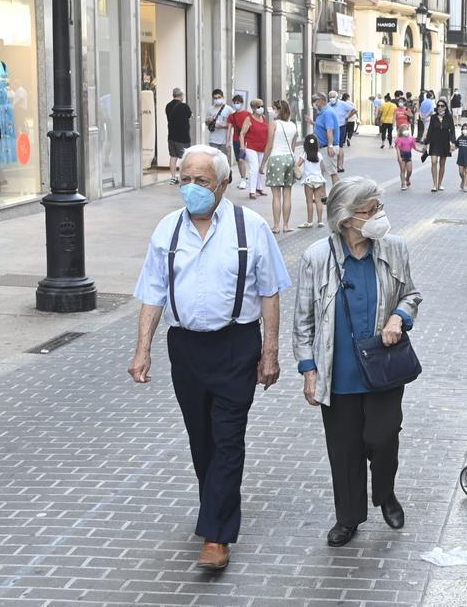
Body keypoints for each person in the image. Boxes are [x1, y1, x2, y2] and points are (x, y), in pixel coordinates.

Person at [129, 145, 291, 570]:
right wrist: (142, 349)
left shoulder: (250, 227)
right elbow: (152, 292)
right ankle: (214, 506)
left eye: (201, 181)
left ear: (222, 185)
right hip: (186, 348)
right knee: (201, 439)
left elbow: (270, 291)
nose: (191, 188)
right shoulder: (167, 230)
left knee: (227, 439)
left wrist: (270, 353)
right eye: (184, 179)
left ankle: (217, 536)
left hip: (237, 346)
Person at [292, 178, 422, 546]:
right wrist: (308, 369)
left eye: (379, 206)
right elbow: (303, 319)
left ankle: (385, 494)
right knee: (344, 447)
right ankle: (348, 518)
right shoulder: (317, 257)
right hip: (339, 372)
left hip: (383, 367)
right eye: (370, 210)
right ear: (347, 218)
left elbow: (411, 294)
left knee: (383, 438)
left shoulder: (394, 248)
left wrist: (399, 317)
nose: (379, 215)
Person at [260, 99, 299, 233]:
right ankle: (286, 225)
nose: (272, 112)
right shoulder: (293, 125)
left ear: (278, 110)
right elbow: (293, 147)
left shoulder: (274, 124)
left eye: (274, 109)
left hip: (276, 158)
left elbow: (269, 145)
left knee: (276, 196)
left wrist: (263, 164)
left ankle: (276, 226)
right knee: (287, 194)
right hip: (289, 158)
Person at [238, 98, 269, 199]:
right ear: (253, 108)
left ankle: (259, 187)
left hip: (262, 147)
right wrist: (242, 146)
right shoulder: (249, 119)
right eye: (258, 107)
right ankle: (252, 191)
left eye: (262, 106)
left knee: (260, 167)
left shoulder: (263, 118)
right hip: (251, 147)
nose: (261, 108)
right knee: (254, 167)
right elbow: (242, 133)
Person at [425, 99, 457, 192]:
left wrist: (453, 142)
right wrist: (426, 143)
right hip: (434, 142)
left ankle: (440, 183)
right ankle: (434, 184)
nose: (440, 107)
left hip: (444, 142)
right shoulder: (433, 117)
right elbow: (430, 130)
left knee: (442, 163)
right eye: (438, 105)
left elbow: (452, 130)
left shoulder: (449, 117)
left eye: (442, 105)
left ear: (445, 107)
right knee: (434, 162)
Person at [312, 92, 342, 185]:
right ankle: (322, 195)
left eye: (315, 101)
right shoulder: (323, 112)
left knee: (332, 172)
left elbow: (330, 130)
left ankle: (337, 194)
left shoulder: (328, 112)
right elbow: (322, 126)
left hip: (327, 147)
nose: (314, 104)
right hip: (322, 147)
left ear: (320, 101)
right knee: (321, 172)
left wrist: (330, 146)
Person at [297, 137, 327, 228]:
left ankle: (309, 222)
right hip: (318, 180)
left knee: (309, 201)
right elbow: (323, 169)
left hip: (309, 180)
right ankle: (320, 221)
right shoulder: (319, 155)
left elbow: (297, 164)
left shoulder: (304, 154)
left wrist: (299, 172)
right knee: (318, 201)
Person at [165, 88, 193, 185]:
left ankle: (173, 178)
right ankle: (184, 178)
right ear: (181, 95)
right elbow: (190, 115)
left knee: (173, 157)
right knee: (185, 158)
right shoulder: (184, 106)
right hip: (183, 137)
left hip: (171, 136)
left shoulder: (168, 106)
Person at [227, 95, 250, 188]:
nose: (236, 104)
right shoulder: (232, 116)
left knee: (241, 159)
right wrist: (228, 141)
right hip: (235, 140)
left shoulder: (248, 114)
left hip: (246, 140)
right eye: (235, 103)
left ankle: (244, 179)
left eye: (238, 103)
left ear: (242, 103)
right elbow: (229, 129)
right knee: (238, 160)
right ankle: (242, 178)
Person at [206, 89, 231, 161]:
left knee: (224, 160)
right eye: (215, 98)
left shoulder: (228, 109)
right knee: (214, 160)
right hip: (213, 139)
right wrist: (209, 121)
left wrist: (223, 126)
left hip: (224, 140)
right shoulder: (210, 109)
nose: (217, 99)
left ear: (223, 97)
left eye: (219, 97)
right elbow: (206, 122)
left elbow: (232, 124)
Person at [393, 124, 419, 191]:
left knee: (410, 171)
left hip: (408, 155)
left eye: (407, 129)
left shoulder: (411, 138)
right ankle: (403, 184)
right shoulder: (399, 139)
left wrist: (421, 151)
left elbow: (415, 147)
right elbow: (398, 148)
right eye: (404, 129)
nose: (406, 131)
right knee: (402, 170)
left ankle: (407, 178)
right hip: (402, 155)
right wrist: (399, 157)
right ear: (401, 131)